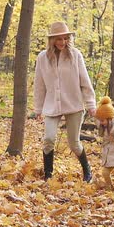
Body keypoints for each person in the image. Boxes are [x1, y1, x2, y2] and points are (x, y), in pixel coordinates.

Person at [34, 21, 96, 182]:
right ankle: (48, 174)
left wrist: (91, 104)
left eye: (65, 38)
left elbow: (85, 81)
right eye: (58, 39)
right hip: (51, 105)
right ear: (52, 40)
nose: (62, 42)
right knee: (48, 139)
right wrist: (38, 109)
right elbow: (39, 85)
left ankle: (87, 171)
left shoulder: (75, 55)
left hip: (74, 104)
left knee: (74, 143)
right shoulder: (42, 58)